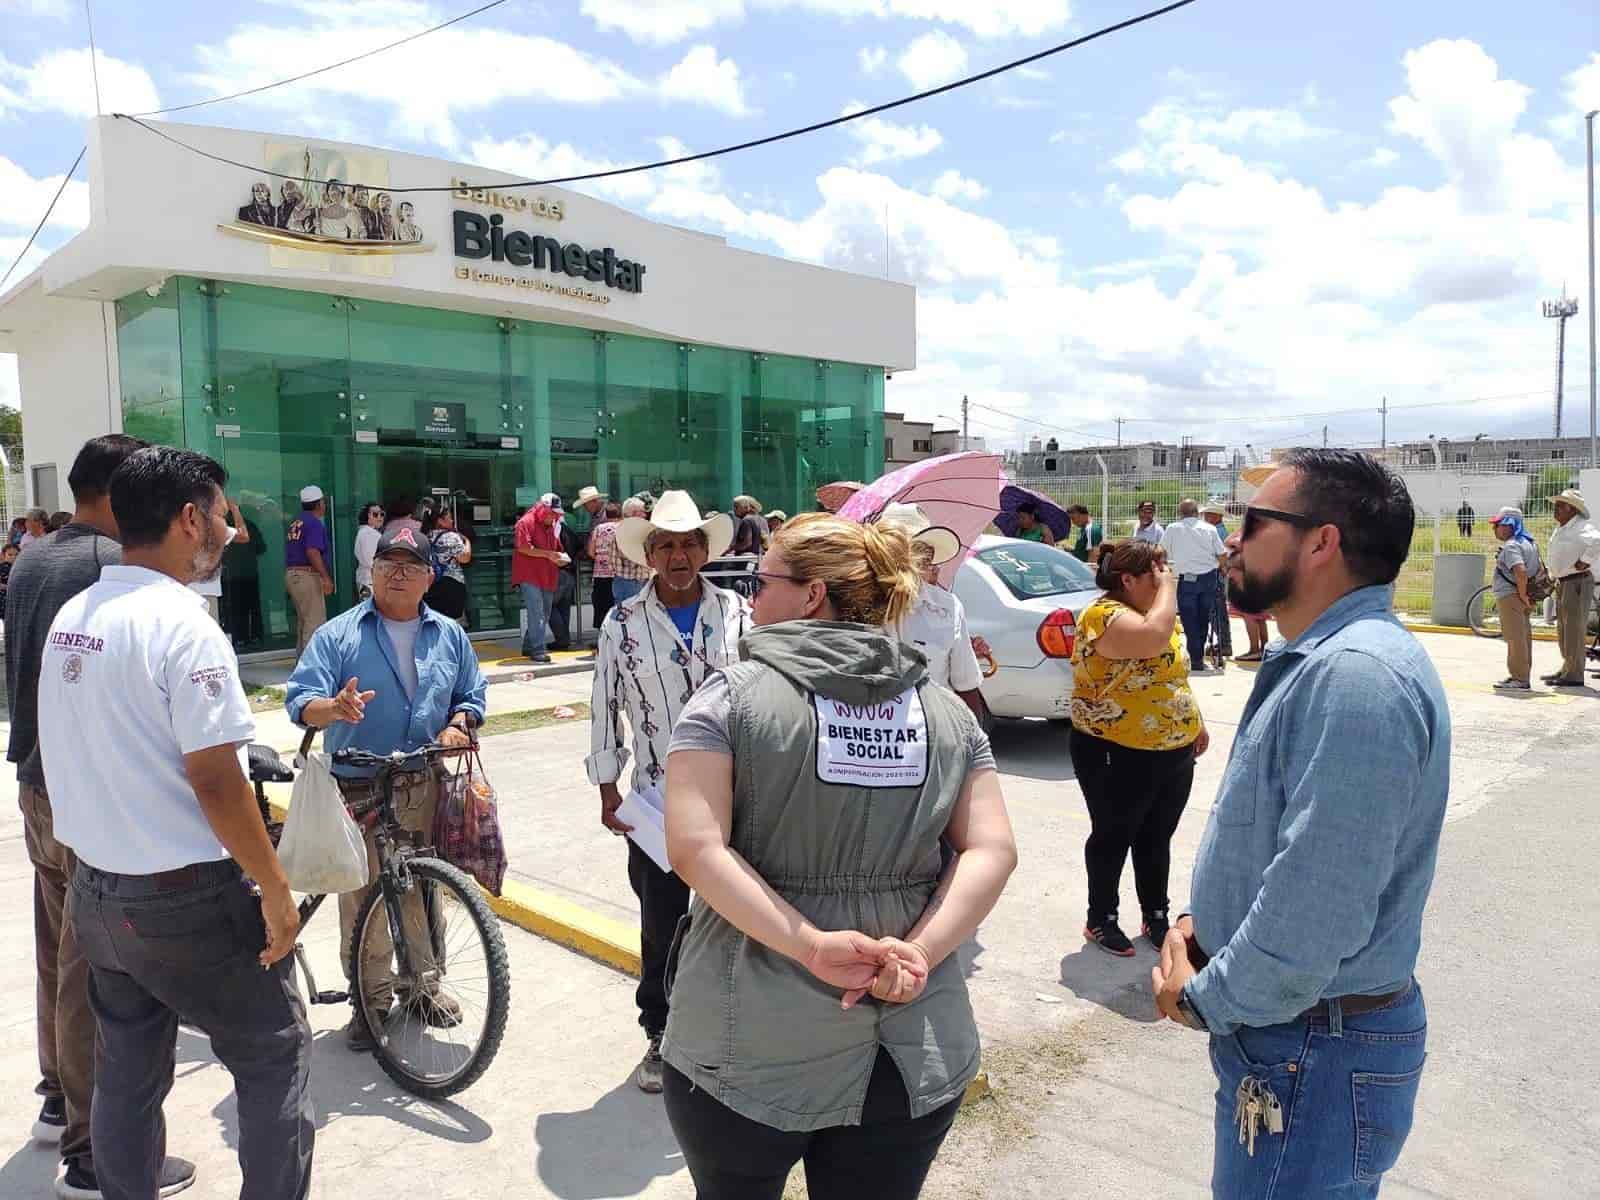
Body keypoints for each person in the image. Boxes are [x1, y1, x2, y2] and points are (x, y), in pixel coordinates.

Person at [660, 512, 1017, 1199]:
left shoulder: (729, 699)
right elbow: (993, 848)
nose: (752, 599)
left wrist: (809, 944)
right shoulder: (945, 711)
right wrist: (924, 950)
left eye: (762, 582)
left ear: (812, 595)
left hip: (746, 1036)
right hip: (913, 1038)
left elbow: (695, 848)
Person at [1151, 449, 1448, 1198]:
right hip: (1301, 1042)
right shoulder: (1323, 660)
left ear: (1321, 542)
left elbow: (1316, 912)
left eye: (1254, 524)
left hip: (1310, 1047)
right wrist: (1199, 923)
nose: (1229, 543)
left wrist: (1200, 999)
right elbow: (1279, 839)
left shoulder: (1355, 677)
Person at [38, 446, 313, 1200]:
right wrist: (276, 887)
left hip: (97, 891)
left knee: (126, 1068)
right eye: (222, 514)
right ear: (191, 519)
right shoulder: (185, 628)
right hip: (186, 898)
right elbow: (218, 781)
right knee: (274, 1053)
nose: (229, 529)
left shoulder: (76, 616)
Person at [4, 434, 161, 1196]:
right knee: (91, 968)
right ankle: (90, 1150)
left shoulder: (34, 554)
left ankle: (54, 1097)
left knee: (53, 948)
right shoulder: (107, 565)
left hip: (35, 781)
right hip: (82, 790)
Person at [286, 524, 487, 1049]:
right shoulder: (338, 634)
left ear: (428, 578)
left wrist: (460, 723)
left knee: (421, 889)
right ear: (371, 574)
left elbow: (472, 694)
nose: (398, 573)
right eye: (387, 564)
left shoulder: (449, 634)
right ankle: (368, 1003)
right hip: (356, 784)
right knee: (362, 900)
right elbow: (300, 699)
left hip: (422, 778)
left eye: (410, 566)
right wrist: (331, 708)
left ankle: (422, 988)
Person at [587, 491, 749, 1093]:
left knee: (736, 916)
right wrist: (607, 785)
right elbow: (605, 705)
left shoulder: (738, 612)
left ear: (705, 550)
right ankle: (660, 1033)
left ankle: (727, 1032)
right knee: (663, 922)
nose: (678, 555)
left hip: (739, 797)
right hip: (657, 802)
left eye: (688, 544)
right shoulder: (621, 624)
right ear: (648, 556)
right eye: (666, 546)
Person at [1069, 539, 1208, 957]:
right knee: (1114, 834)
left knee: (1156, 835)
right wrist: (1170, 589)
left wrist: (1194, 721)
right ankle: (1101, 918)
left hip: (1173, 748)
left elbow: (1173, 674)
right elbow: (1150, 642)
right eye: (1157, 570)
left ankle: (1156, 913)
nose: (1165, 575)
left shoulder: (1158, 614)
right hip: (1116, 748)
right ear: (1127, 579)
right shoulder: (1104, 615)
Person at [878, 502, 986, 723]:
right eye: (921, 547)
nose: (931, 557)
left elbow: (966, 685)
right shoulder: (855, 601)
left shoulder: (946, 607)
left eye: (928, 549)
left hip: (932, 732)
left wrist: (975, 748)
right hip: (870, 736)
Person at [1160, 498, 1228, 673]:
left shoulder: (1173, 528)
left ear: (1180, 513)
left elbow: (1160, 551)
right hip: (1208, 579)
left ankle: (1196, 657)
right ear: (1197, 512)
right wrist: (1222, 569)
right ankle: (1197, 656)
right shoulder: (1210, 529)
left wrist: (1163, 569)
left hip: (1187, 580)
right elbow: (1222, 554)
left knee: (1189, 619)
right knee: (1203, 617)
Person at [1543, 488, 1600, 688]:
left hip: (1577, 581)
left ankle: (1574, 673)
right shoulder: (1563, 528)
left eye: (1560, 506)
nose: (1556, 509)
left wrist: (1585, 561)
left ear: (1573, 509)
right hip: (1564, 581)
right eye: (1556, 505)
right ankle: (1568, 667)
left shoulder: (1582, 527)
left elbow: (1597, 542)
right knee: (1564, 629)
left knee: (1574, 629)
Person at [1489, 507, 1541, 691]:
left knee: (1514, 638)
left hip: (1512, 597)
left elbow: (1520, 572)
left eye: (1498, 525)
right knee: (1523, 637)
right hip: (1523, 596)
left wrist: (1521, 595)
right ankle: (1521, 675)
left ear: (1510, 526)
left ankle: (1519, 679)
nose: (1494, 528)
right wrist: (1526, 595)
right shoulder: (1530, 543)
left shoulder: (1512, 546)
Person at [512, 498, 567, 664]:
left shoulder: (553, 525)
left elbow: (556, 549)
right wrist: (548, 554)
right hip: (529, 574)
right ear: (543, 509)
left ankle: (529, 645)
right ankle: (538, 649)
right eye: (552, 513)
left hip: (548, 574)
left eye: (556, 514)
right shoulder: (525, 522)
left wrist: (559, 558)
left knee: (544, 613)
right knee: (537, 613)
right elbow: (522, 547)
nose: (554, 517)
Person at [285, 484, 334, 659]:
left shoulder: (297, 522)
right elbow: (312, 551)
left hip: (293, 575)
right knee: (314, 623)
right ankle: (310, 670)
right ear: (319, 504)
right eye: (323, 502)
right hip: (306, 574)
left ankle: (302, 664)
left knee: (304, 622)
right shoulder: (314, 523)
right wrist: (325, 577)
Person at [189, 495, 250, 622]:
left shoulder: (181, 529)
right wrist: (235, 509)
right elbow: (243, 535)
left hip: (186, 589)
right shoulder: (214, 528)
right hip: (207, 590)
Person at [543, 493, 584, 650]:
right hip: (570, 573)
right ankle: (562, 640)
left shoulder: (554, 531)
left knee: (549, 606)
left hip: (557, 572)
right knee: (563, 608)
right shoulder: (568, 529)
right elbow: (581, 548)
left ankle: (562, 638)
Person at [422, 503, 472, 621]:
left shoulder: (424, 536)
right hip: (451, 585)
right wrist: (467, 541)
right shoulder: (451, 536)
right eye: (449, 517)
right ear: (440, 520)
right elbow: (465, 558)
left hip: (430, 584)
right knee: (451, 623)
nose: (452, 520)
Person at [1201, 503, 1233, 660]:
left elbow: (1220, 556)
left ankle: (1224, 644)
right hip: (1217, 574)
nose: (1206, 517)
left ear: (1217, 516)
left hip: (1216, 575)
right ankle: (1223, 642)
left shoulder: (1217, 532)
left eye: (1209, 514)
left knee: (1217, 611)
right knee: (1217, 611)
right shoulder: (1219, 530)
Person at [606, 497, 652, 605]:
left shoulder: (637, 530)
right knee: (628, 617)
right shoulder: (622, 531)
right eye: (642, 512)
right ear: (633, 513)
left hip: (638, 580)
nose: (645, 515)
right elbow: (617, 560)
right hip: (629, 582)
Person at [587, 501, 623, 629]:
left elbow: (591, 552)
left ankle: (602, 640)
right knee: (618, 607)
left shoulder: (598, 529)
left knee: (601, 607)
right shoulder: (623, 528)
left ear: (606, 515)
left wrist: (601, 559)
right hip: (618, 573)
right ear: (621, 514)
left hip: (600, 575)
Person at [353, 502, 384, 600]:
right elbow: (369, 560)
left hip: (368, 580)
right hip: (370, 581)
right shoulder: (368, 533)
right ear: (367, 516)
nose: (379, 517)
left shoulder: (365, 532)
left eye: (381, 514)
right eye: (375, 514)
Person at [0, 541, 17, 620]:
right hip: (4, 599)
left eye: (16, 554)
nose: (13, 557)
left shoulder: (21, 568)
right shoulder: (2, 567)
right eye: (10, 555)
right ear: (3, 556)